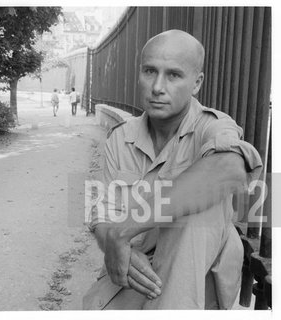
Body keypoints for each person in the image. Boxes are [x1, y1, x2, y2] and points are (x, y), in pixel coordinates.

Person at [86, 29, 262, 309]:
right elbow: (102, 214)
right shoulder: (121, 137)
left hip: (199, 277)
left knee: (203, 201)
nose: (157, 87)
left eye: (173, 75)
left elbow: (230, 168)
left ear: (196, 83)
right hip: (138, 267)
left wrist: (124, 232)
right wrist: (119, 244)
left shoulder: (212, 126)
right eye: (149, 71)